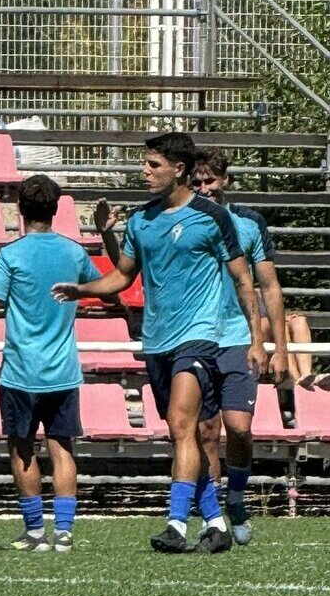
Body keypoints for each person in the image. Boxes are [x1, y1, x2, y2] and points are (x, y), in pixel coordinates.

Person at [53, 132, 265, 555]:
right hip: (157, 341)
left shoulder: (212, 217)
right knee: (180, 431)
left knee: (180, 423)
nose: (144, 171)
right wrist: (83, 289)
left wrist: (256, 340)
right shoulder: (141, 220)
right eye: (145, 164)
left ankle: (175, 523)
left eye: (153, 165)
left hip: (199, 337)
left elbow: (244, 280)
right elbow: (122, 277)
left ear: (178, 169)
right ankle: (217, 522)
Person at [0, 175, 106, 553]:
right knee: (62, 448)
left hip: (21, 371)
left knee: (22, 449)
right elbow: (105, 288)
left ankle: (34, 533)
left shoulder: (12, 254)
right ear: (57, 209)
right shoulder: (73, 252)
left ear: (19, 210)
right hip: (62, 370)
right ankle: (63, 532)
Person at [190, 148, 287, 545]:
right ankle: (213, 517)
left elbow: (271, 287)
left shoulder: (248, 223)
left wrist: (277, 347)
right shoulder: (183, 221)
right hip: (195, 337)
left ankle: (236, 497)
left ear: (225, 180)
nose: (203, 188)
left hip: (239, 337)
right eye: (196, 182)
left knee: (239, 429)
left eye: (210, 180)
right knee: (206, 431)